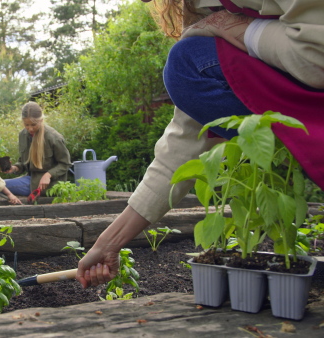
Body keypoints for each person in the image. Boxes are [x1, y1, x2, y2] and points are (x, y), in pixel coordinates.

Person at [76, 0, 324, 288]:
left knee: (188, 59)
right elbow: (186, 139)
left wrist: (246, 29)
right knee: (188, 61)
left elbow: (317, 54)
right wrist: (109, 241)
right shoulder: (202, 8)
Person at [0, 102, 71, 197]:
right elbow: (24, 163)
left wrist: (48, 175)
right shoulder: (23, 135)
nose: (30, 128)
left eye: (33, 124)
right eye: (26, 125)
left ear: (41, 120)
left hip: (48, 184)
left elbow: (65, 163)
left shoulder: (53, 137)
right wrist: (14, 168)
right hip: (30, 179)